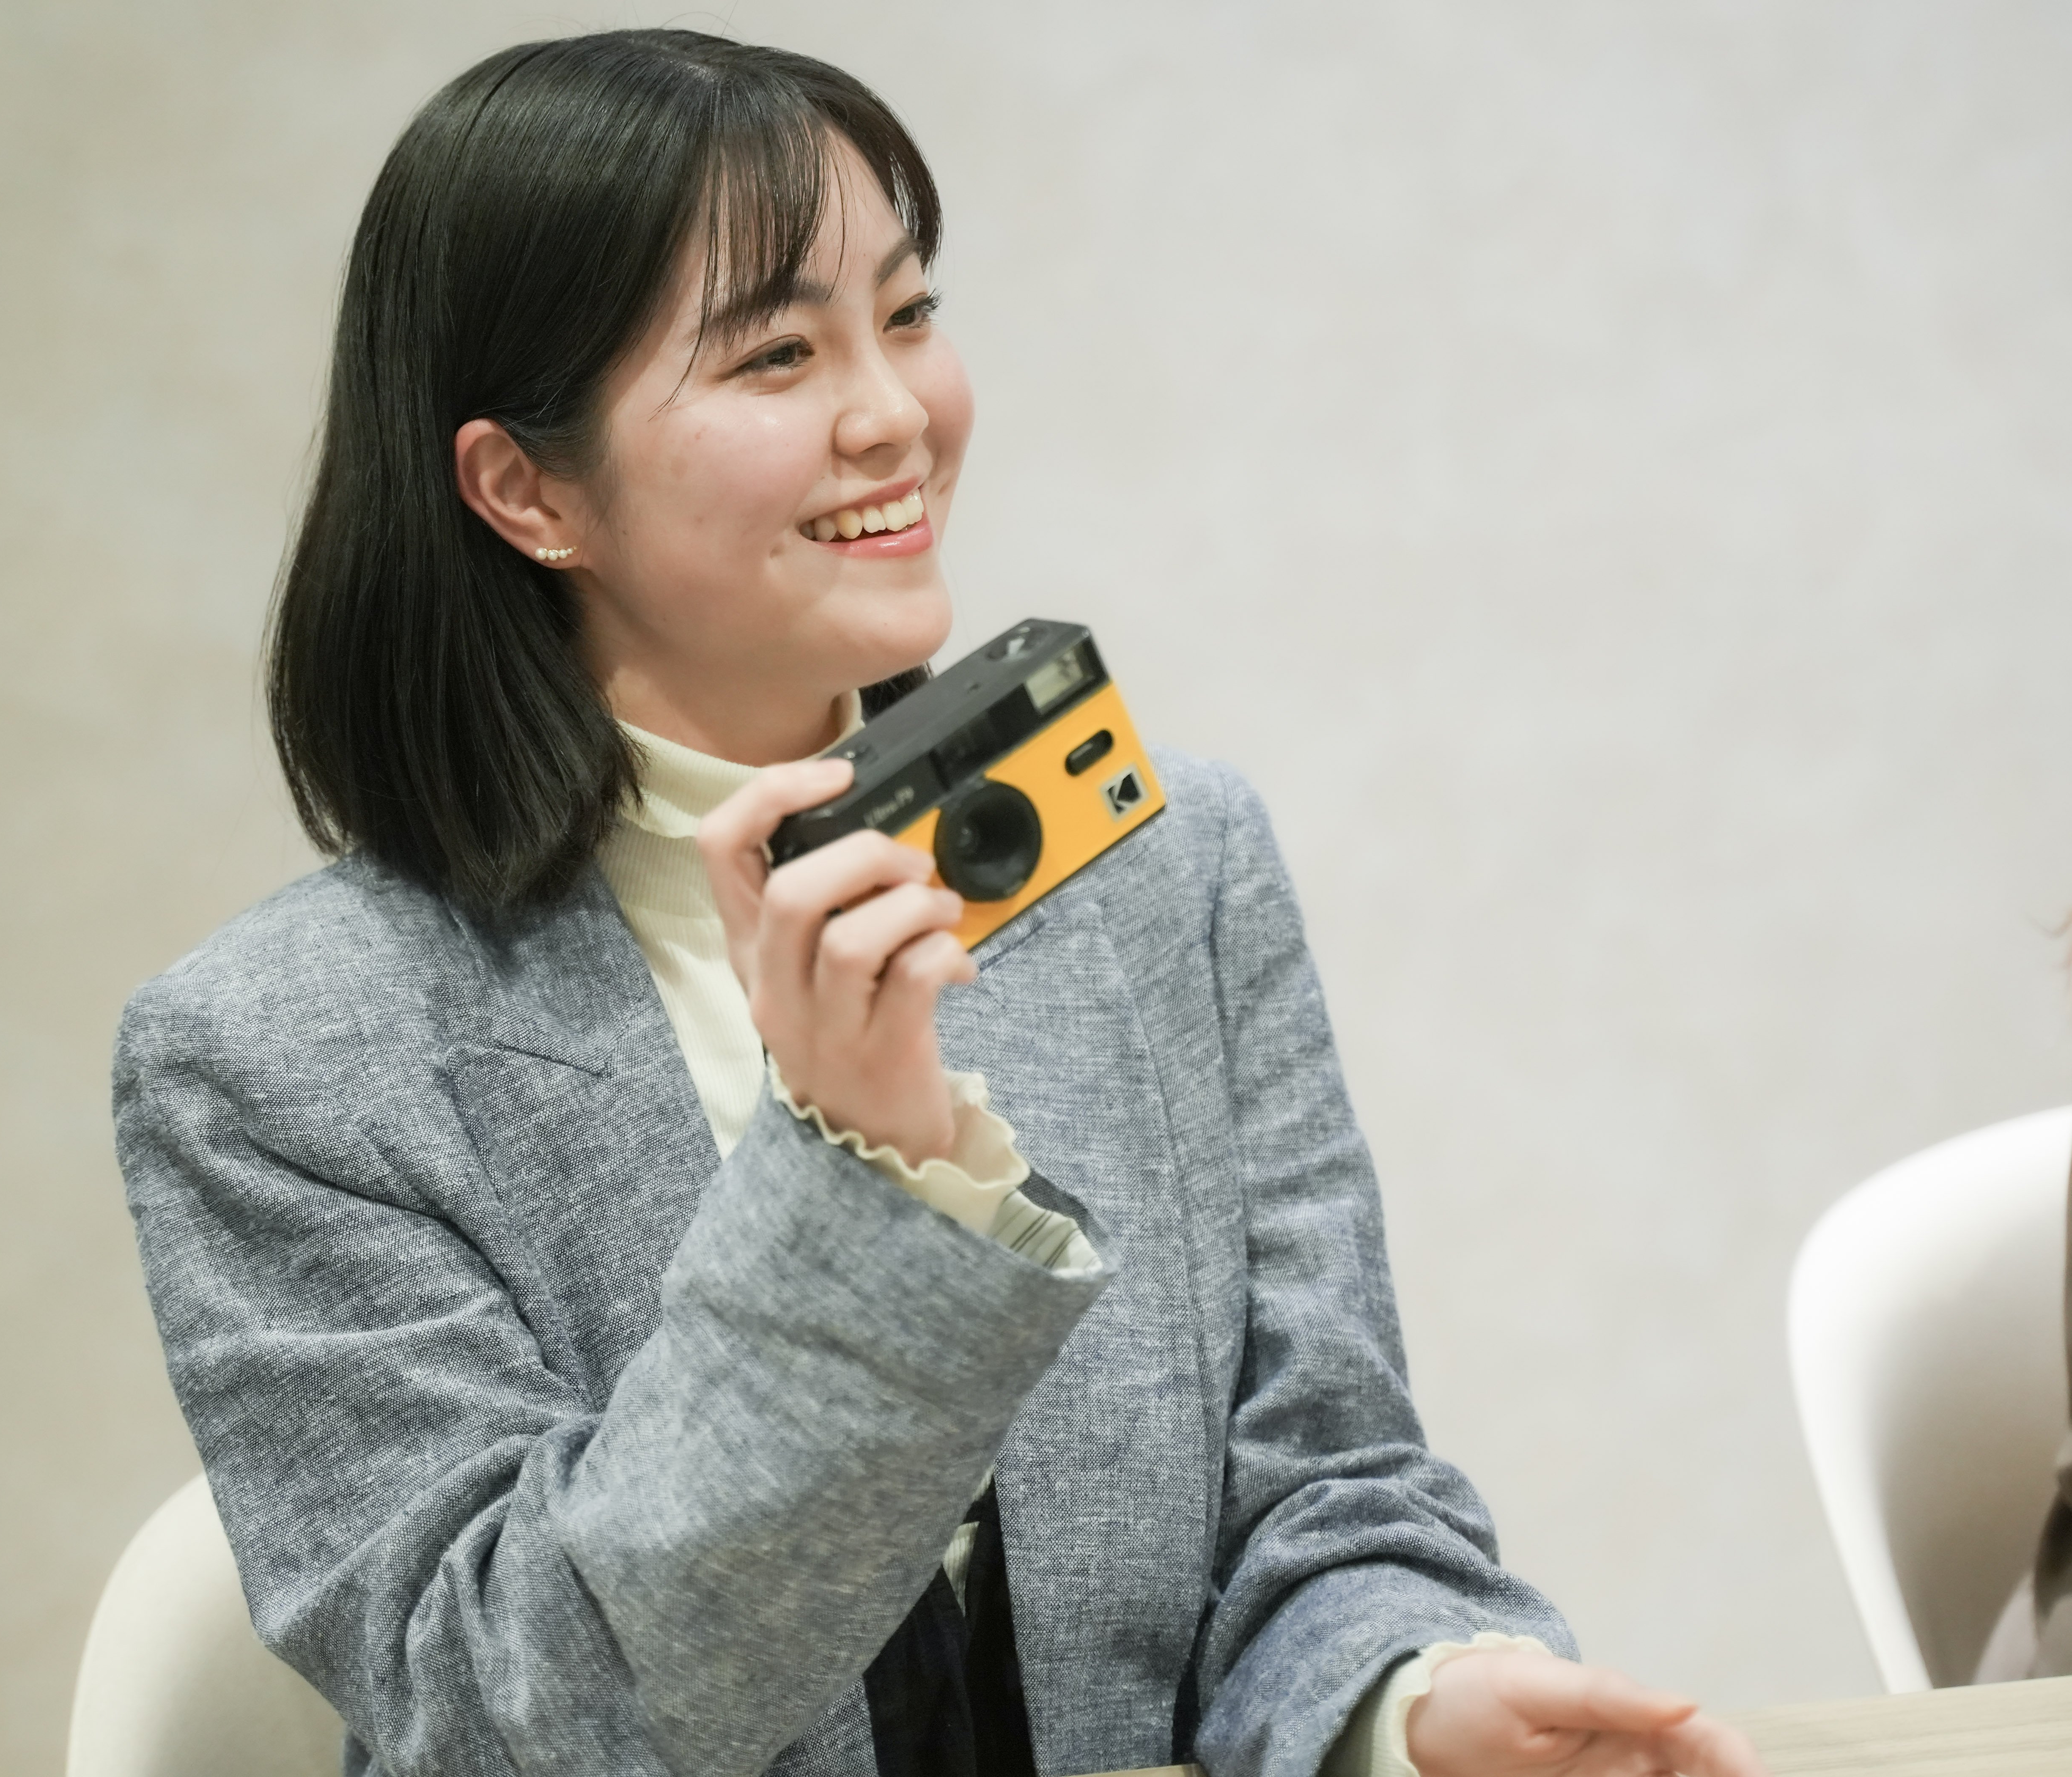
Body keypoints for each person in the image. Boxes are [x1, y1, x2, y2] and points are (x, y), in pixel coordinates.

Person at [111, 29, 1766, 1777]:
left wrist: (1407, 1701)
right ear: (529, 489)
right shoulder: (278, 1060)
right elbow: (513, 1710)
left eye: (905, 315)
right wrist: (857, 1175)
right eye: (777, 352)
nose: (895, 412)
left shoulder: (1160, 864)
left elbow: (1322, 1487)